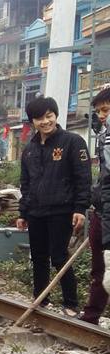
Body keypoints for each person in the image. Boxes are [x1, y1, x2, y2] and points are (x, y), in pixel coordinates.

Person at [17, 96, 91, 316]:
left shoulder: (72, 141)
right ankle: (41, 299)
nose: (45, 122)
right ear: (33, 122)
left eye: (49, 116)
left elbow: (83, 178)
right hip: (36, 211)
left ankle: (71, 303)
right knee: (38, 256)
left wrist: (80, 208)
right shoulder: (29, 148)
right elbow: (26, 182)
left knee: (58, 255)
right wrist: (23, 212)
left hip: (62, 209)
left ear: (55, 116)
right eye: (39, 118)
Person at [84, 88, 110, 324]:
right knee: (98, 268)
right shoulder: (103, 138)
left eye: (105, 110)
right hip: (101, 211)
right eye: (99, 111)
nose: (101, 115)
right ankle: (91, 316)